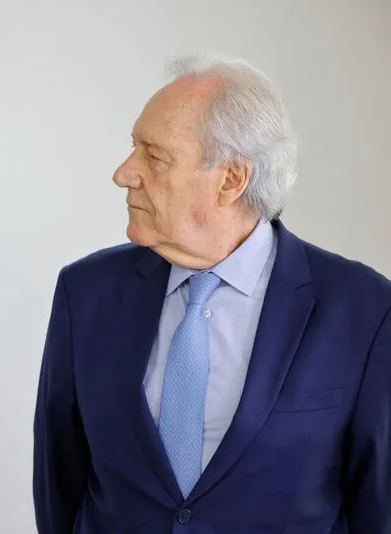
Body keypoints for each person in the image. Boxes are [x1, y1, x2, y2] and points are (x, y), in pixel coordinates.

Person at [32, 52, 391, 533]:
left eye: (155, 157)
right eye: (134, 148)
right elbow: (60, 483)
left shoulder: (363, 309)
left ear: (231, 180)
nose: (124, 173)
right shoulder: (86, 293)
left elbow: (378, 504)